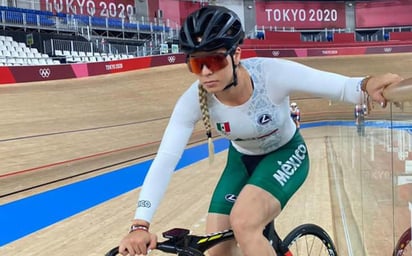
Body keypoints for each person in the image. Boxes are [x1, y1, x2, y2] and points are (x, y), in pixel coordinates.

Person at [119, 5, 403, 256]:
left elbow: (342, 87)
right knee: (215, 247)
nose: (206, 72)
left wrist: (368, 83)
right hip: (240, 161)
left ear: (236, 55)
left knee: (244, 222)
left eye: (215, 60)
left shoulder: (270, 74)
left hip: (286, 152)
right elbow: (165, 160)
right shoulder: (192, 102)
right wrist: (139, 223)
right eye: (196, 63)